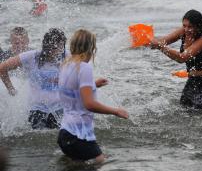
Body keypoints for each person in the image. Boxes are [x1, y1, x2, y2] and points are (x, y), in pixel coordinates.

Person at [57, 29, 128, 163]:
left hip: (64, 133)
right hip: (79, 134)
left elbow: (71, 91)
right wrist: (116, 111)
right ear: (91, 48)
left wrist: (93, 85)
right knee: (101, 166)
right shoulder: (84, 67)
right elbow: (89, 104)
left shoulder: (65, 65)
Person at [150, 10, 202, 111]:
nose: (186, 29)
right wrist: (147, 40)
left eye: (190, 26)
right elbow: (162, 41)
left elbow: (182, 58)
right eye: (184, 25)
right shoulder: (184, 31)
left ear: (198, 26)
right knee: (183, 110)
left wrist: (160, 47)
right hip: (192, 80)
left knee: (201, 116)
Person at [0, 28, 67, 129]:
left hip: (60, 107)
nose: (57, 51)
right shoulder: (31, 56)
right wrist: (11, 89)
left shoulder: (67, 56)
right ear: (46, 46)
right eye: (54, 48)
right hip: (37, 109)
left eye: (61, 47)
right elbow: (2, 68)